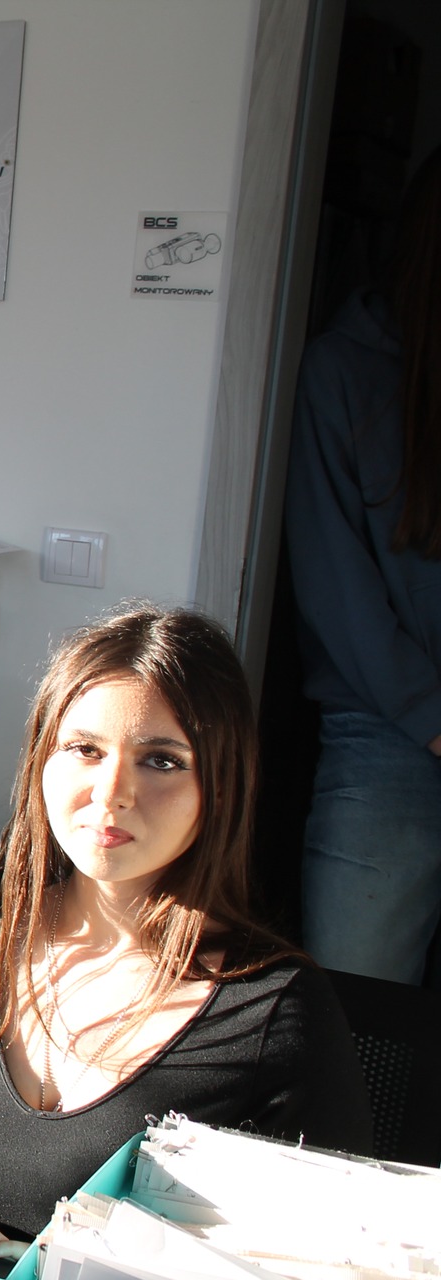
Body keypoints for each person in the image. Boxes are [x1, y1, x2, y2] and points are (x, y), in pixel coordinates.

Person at [0, 606, 373, 1258]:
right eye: (85, 750)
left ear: (221, 785)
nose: (111, 791)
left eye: (161, 760)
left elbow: (319, 1278)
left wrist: (42, 1266)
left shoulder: (279, 1014)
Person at [285, 150, 441, 984]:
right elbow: (336, 589)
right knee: (357, 1002)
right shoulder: (343, 371)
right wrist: (430, 714)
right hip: (385, 733)